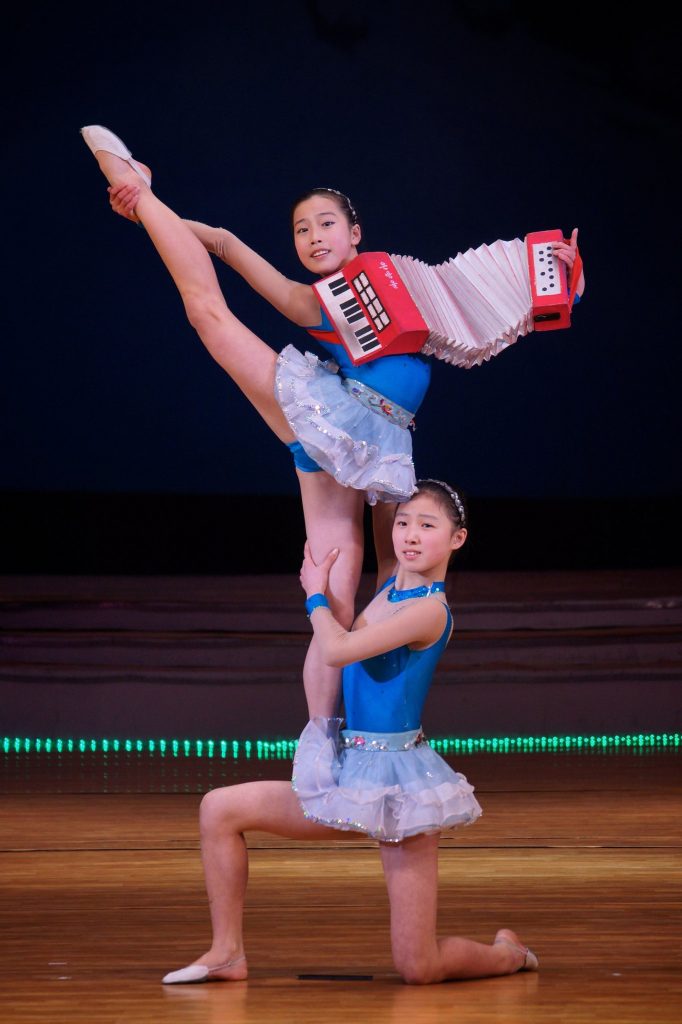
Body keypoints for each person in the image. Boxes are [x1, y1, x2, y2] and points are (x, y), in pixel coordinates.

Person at [80, 125, 584, 722]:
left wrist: (563, 279)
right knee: (209, 316)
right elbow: (220, 242)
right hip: (333, 419)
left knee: (351, 595)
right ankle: (321, 748)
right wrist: (148, 208)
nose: (313, 236)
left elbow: (509, 308)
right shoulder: (321, 304)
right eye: (300, 229)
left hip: (384, 447)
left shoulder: (396, 290)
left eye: (325, 223)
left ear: (356, 233)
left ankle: (353, 734)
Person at [160, 478, 539, 985]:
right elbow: (379, 493)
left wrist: (316, 595)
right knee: (219, 808)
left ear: (457, 539)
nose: (409, 534)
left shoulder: (429, 610)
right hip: (345, 774)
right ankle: (227, 952)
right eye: (405, 523)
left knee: (418, 967)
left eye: (427, 526)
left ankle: (508, 953)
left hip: (401, 787)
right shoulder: (389, 582)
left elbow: (337, 651)